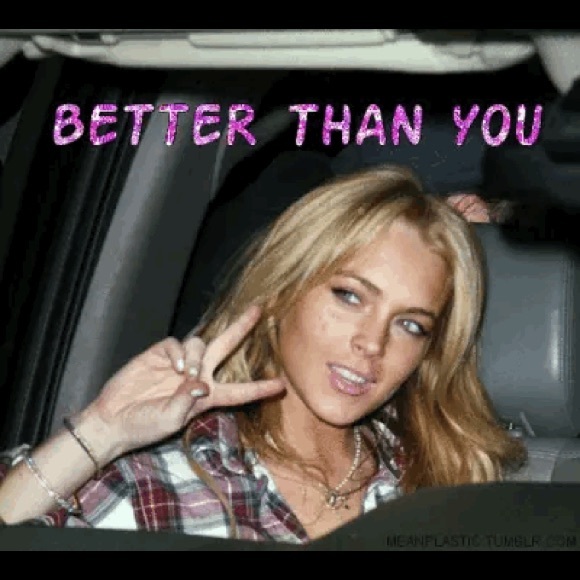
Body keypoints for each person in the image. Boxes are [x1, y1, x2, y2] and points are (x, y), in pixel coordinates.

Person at [0, 164, 527, 543]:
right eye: (349, 296)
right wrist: (101, 431)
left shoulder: (447, 483)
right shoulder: (164, 482)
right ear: (281, 292)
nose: (373, 343)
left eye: (410, 324)